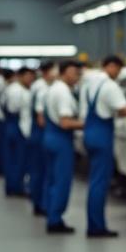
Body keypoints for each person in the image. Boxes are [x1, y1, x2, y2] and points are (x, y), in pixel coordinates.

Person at [78, 55, 126, 238]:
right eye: (119, 69)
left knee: (94, 181)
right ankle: (96, 227)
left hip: (90, 133)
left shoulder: (89, 83)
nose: (118, 74)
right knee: (100, 182)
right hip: (102, 136)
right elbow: (123, 108)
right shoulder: (109, 85)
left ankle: (94, 223)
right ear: (112, 66)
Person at [43, 60, 84, 234]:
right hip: (61, 140)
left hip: (51, 137)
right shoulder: (63, 93)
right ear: (65, 72)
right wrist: (87, 124)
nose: (77, 77)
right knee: (62, 181)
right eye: (75, 73)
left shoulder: (53, 88)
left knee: (52, 180)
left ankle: (52, 215)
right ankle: (55, 219)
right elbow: (66, 122)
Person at [1, 67, 35, 197]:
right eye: (28, 76)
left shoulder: (15, 88)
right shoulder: (17, 91)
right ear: (20, 76)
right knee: (18, 159)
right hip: (17, 126)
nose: (30, 79)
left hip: (13, 125)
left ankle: (13, 185)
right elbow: (14, 109)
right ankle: (15, 187)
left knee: (14, 158)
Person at [28, 62, 55, 216]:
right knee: (43, 170)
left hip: (37, 132)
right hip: (41, 133)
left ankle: (38, 202)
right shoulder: (43, 88)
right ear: (47, 72)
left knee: (38, 169)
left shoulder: (38, 85)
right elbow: (41, 118)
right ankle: (41, 204)